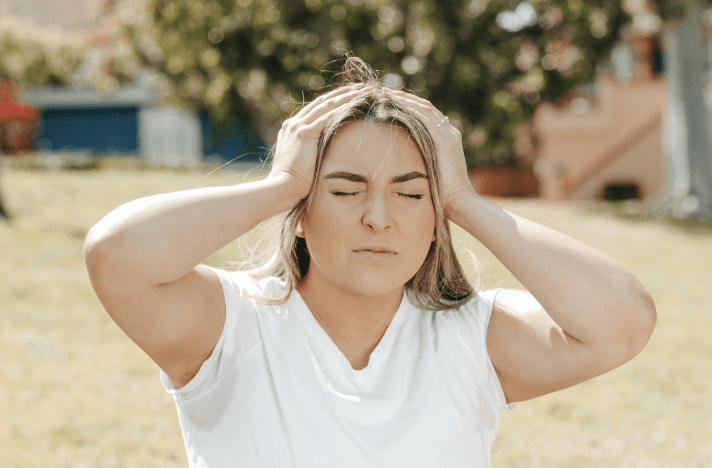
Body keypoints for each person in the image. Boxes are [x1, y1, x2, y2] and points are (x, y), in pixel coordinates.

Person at [84, 58, 656, 467]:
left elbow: (624, 321)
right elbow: (117, 255)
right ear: (301, 211)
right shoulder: (229, 325)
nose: (379, 218)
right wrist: (280, 183)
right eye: (344, 190)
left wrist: (463, 201)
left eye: (411, 194)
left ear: (435, 221)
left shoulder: (474, 337)